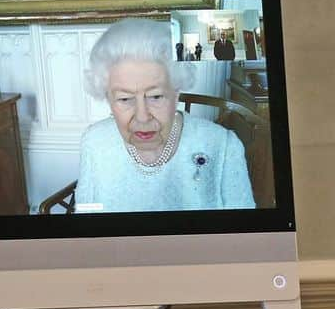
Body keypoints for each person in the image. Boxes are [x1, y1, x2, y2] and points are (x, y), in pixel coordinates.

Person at [77, 18, 255, 212]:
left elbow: (244, 236)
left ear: (176, 92)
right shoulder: (94, 142)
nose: (143, 117)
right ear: (108, 98)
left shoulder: (223, 146)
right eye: (125, 99)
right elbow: (87, 215)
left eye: (156, 96)